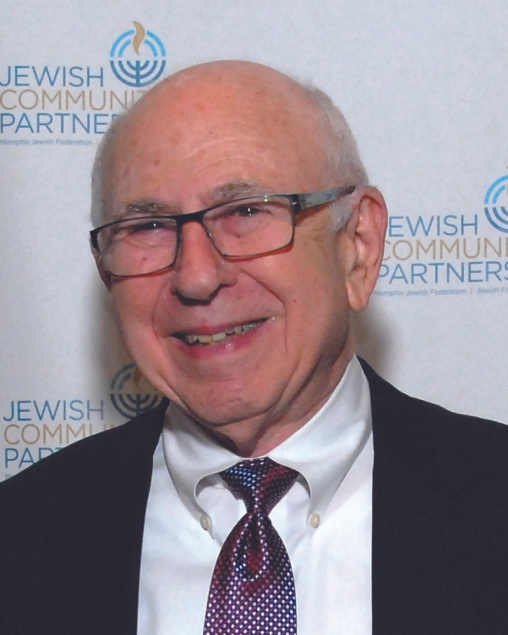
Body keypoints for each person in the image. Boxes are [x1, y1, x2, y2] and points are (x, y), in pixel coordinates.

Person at [1, 60, 508, 635]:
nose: (196, 277)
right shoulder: (20, 540)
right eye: (147, 227)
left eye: (246, 212)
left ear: (358, 246)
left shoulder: (492, 504)